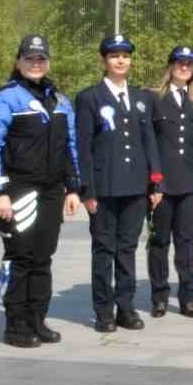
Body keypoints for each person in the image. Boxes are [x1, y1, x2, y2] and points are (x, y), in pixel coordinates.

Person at [0, 34, 82, 347]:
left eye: (41, 59)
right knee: (20, 257)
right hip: (18, 190)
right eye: (29, 58)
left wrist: (73, 188)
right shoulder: (3, 98)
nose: (36, 64)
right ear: (18, 62)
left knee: (43, 257)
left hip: (52, 190)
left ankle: (37, 319)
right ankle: (15, 325)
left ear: (47, 62)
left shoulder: (60, 101)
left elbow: (70, 148)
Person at [76, 34, 161, 332]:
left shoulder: (141, 98)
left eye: (125, 55)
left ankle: (126, 308)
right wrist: (86, 188)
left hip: (135, 187)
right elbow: (83, 147)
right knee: (104, 250)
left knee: (127, 249)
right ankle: (103, 312)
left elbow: (149, 141)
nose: (120, 60)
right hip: (104, 187)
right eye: (114, 55)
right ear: (104, 61)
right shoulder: (90, 97)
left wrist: (155, 183)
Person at [147, 45, 193, 319]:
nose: (185, 67)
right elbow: (148, 142)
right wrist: (153, 183)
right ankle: (160, 296)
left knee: (186, 242)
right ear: (170, 65)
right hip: (162, 185)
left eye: (190, 64)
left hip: (189, 184)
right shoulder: (153, 98)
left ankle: (187, 297)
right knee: (159, 241)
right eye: (180, 63)